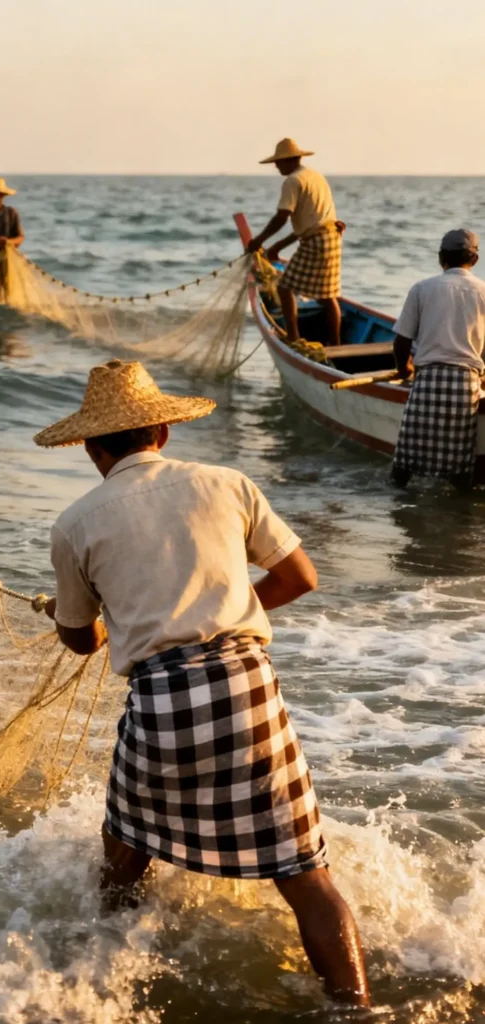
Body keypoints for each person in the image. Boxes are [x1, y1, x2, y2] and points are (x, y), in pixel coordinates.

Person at [34, 359, 370, 1007]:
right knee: (304, 873)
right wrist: (225, 609)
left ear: (92, 449)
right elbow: (299, 577)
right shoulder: (226, 484)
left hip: (159, 701)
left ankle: (104, 992)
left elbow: (78, 638)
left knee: (125, 853)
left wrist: (95, 623)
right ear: (162, 433)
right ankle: (354, 1009)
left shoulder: (74, 524)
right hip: (245, 687)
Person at [391, 229, 485, 490]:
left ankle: (397, 508)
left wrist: (403, 369)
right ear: (474, 260)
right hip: (467, 384)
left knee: (405, 464)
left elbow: (402, 341)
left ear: (441, 257)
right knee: (459, 465)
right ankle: (459, 515)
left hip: (428, 379)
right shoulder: (483, 291)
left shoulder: (422, 288)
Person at [246, 139, 344, 348]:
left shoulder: (292, 181)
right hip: (331, 238)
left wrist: (259, 240)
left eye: (279, 162)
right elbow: (312, 222)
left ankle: (293, 338)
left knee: (284, 287)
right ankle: (335, 344)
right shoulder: (315, 177)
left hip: (316, 242)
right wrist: (278, 246)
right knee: (328, 296)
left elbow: (282, 216)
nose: (277, 166)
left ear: (290, 161)